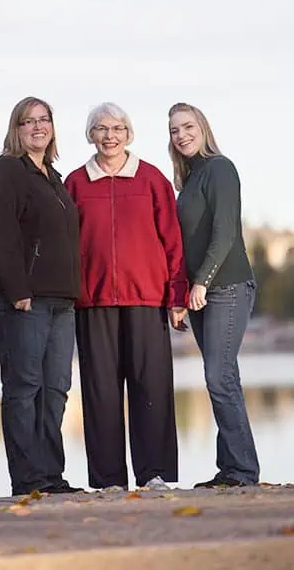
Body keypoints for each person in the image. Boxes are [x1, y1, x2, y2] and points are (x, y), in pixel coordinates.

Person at [65, 102, 189, 492]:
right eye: (101, 128)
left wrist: (177, 294)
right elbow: (66, 245)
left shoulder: (152, 179)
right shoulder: (75, 184)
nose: (110, 136)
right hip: (93, 299)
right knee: (100, 392)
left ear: (129, 133)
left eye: (117, 128)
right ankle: (107, 481)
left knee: (151, 387)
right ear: (91, 135)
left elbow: (173, 240)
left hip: (147, 298)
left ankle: (155, 474)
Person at [0, 96, 82, 496]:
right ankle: (27, 479)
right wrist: (19, 291)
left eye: (44, 120)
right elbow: (0, 236)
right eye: (28, 122)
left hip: (60, 301)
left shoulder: (52, 177)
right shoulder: (4, 172)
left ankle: (51, 476)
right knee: (24, 388)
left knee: (55, 389)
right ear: (15, 129)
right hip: (21, 300)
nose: (38, 127)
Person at [168, 102, 260, 488]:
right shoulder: (192, 178)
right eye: (174, 130)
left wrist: (202, 281)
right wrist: (181, 294)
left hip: (228, 286)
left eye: (188, 126)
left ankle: (242, 471)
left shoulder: (220, 168)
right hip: (202, 292)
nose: (181, 135)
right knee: (224, 378)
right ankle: (232, 469)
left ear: (202, 128)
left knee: (218, 377)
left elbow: (225, 231)